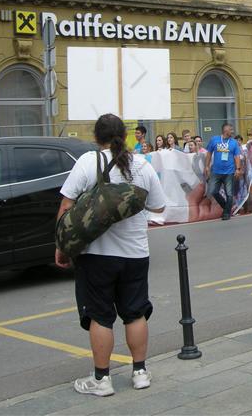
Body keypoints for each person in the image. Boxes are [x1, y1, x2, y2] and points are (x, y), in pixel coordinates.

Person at [55, 114, 167, 397]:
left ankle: (101, 380)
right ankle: (140, 372)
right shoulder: (141, 164)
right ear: (125, 136)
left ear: (96, 137)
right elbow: (158, 206)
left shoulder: (88, 163)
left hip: (96, 255)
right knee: (135, 312)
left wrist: (62, 246)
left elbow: (66, 205)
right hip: (135, 253)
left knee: (100, 316)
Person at [205, 123, 243, 220]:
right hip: (216, 172)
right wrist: (207, 166)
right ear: (226, 130)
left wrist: (238, 169)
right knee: (213, 191)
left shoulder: (233, 142)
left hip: (229, 172)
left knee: (229, 193)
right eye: (231, 129)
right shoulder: (214, 139)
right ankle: (226, 207)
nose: (233, 131)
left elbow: (237, 156)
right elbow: (209, 153)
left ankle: (226, 213)